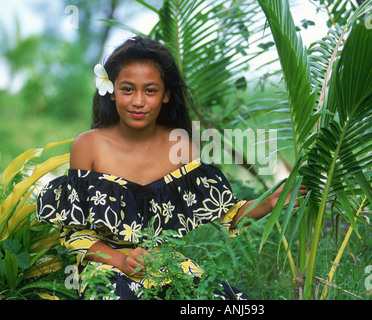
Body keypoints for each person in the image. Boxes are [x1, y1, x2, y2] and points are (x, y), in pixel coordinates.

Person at [36, 36, 306, 300]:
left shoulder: (182, 147)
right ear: (112, 92)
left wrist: (271, 201)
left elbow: (228, 214)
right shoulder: (88, 146)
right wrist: (121, 260)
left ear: (165, 95)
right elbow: (75, 232)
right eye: (128, 89)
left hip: (166, 265)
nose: (138, 101)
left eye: (150, 90)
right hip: (107, 268)